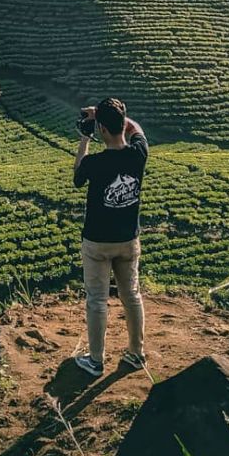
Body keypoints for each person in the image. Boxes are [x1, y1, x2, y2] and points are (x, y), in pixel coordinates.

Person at [72, 96, 148, 376]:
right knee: (132, 295)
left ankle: (95, 360)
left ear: (102, 129)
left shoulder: (95, 162)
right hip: (128, 239)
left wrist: (84, 138)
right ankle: (136, 353)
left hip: (97, 241)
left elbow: (78, 177)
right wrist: (114, 117)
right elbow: (136, 128)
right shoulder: (139, 153)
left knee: (96, 300)